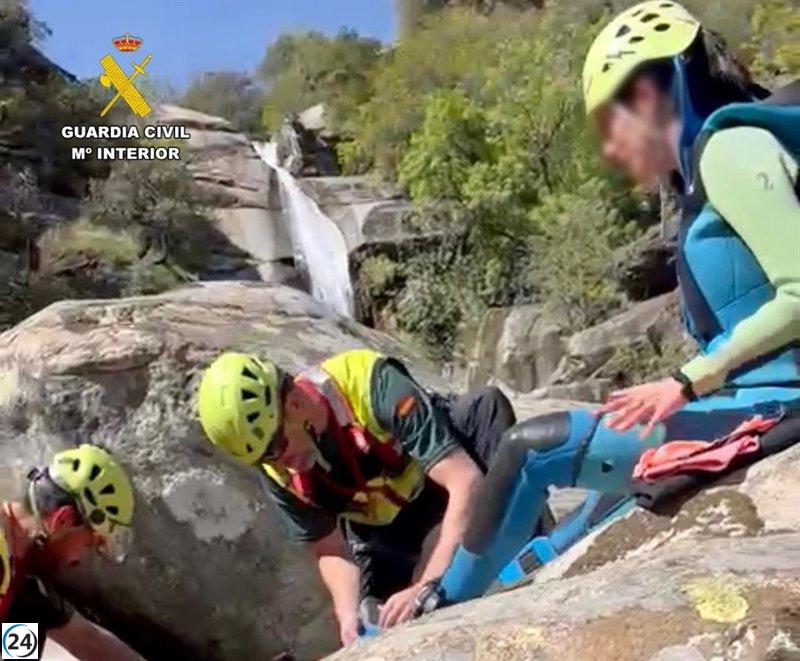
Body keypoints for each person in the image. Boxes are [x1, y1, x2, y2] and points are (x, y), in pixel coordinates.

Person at [415, 0, 800, 608]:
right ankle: (498, 590)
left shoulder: (731, 149)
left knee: (532, 449)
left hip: (777, 402)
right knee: (600, 501)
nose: (613, 151)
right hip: (754, 398)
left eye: (614, 121)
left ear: (657, 88)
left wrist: (685, 382)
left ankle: (438, 604)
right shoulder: (713, 163)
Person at [197, 348, 545, 644]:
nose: (280, 463)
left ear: (294, 404)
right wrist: (348, 616)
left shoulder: (371, 382)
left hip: (449, 479)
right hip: (390, 530)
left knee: (487, 408)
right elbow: (330, 548)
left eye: (278, 447)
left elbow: (464, 481)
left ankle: (535, 542)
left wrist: (426, 585)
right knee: (377, 620)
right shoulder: (276, 468)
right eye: (264, 458)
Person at [1, 444, 141, 660]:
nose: (79, 559)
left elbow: (89, 641)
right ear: (63, 520)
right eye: (87, 544)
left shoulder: (21, 580)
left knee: (29, 619)